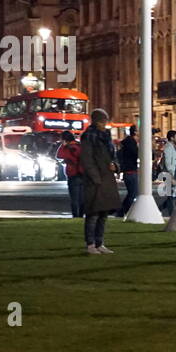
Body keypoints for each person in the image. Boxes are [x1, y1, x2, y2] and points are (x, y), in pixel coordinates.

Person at [80, 108, 121, 254]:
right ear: (96, 121)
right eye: (103, 121)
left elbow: (113, 155)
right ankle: (90, 244)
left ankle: (100, 242)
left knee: (104, 213)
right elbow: (87, 159)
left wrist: (115, 166)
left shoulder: (106, 136)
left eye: (105, 121)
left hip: (107, 177)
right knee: (93, 213)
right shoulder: (88, 136)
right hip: (96, 179)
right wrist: (95, 177)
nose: (105, 124)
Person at [57, 131, 84, 217]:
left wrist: (62, 146)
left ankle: (75, 215)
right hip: (83, 173)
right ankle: (81, 215)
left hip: (73, 174)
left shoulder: (67, 147)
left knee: (74, 198)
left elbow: (59, 156)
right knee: (82, 198)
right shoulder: (80, 145)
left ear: (64, 139)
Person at [114, 126, 139, 217]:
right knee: (133, 194)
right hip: (130, 171)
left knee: (132, 193)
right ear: (135, 132)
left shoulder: (128, 142)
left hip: (128, 171)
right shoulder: (131, 143)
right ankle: (122, 211)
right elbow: (136, 154)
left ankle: (121, 211)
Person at [156, 130, 176, 216]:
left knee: (175, 195)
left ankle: (159, 209)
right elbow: (168, 163)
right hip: (170, 175)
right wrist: (172, 177)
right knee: (171, 196)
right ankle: (171, 215)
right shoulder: (168, 147)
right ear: (171, 138)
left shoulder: (174, 147)